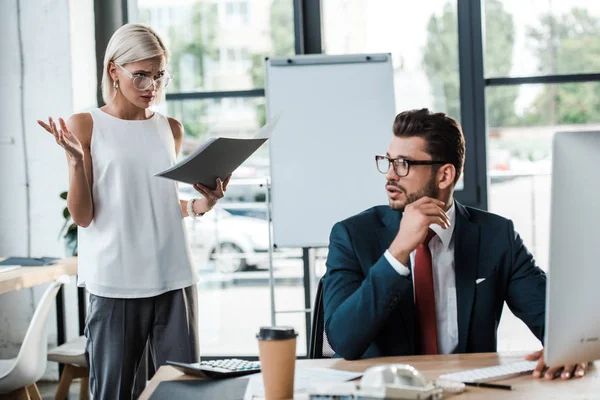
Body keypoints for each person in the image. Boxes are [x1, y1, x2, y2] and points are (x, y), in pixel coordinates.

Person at [37, 23, 231, 399]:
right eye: (140, 75)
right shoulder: (86, 125)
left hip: (174, 276)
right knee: (114, 393)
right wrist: (77, 164)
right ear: (114, 70)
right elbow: (83, 217)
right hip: (116, 283)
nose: (151, 87)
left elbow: (154, 203)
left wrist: (202, 204)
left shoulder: (170, 128)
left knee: (182, 391)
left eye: (158, 76)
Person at [322, 108, 587, 380]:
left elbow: (556, 325)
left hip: (469, 392)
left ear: (445, 176)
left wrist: (567, 350)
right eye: (388, 161)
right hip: (384, 394)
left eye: (403, 163)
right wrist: (397, 251)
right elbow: (343, 341)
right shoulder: (352, 235)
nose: (390, 174)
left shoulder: (496, 236)